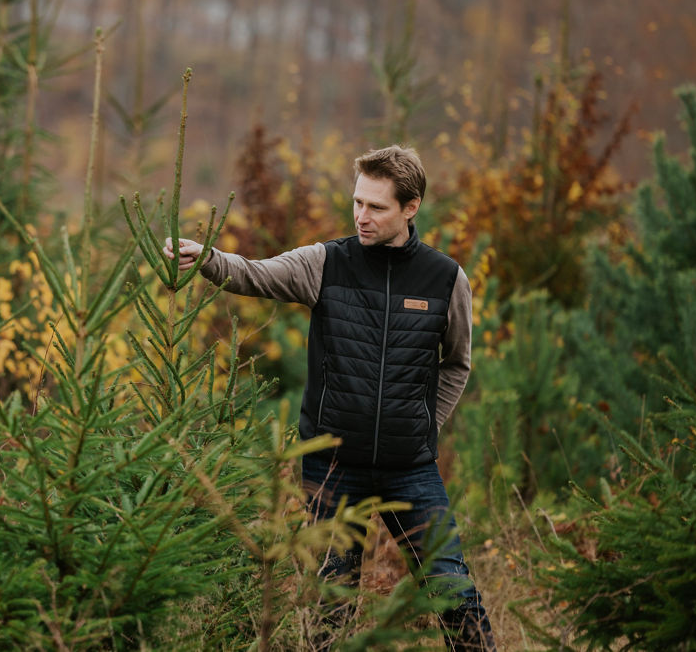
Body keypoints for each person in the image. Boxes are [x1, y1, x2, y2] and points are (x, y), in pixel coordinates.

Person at [164, 145, 496, 651]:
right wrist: (206, 260)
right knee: (331, 603)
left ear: (411, 208)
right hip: (332, 465)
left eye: (376, 206)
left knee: (452, 589)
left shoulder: (445, 279)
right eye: (357, 202)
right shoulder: (327, 263)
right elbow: (256, 273)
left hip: (411, 466)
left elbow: (457, 362)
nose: (361, 215)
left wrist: (424, 427)